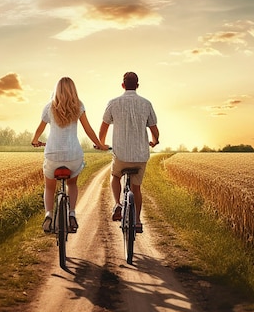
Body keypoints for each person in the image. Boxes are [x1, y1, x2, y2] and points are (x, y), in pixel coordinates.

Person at [31, 77, 109, 233]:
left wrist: (35, 140)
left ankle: (49, 215)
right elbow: (88, 130)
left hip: (53, 155)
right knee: (71, 184)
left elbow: (39, 129)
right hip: (73, 155)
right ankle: (72, 213)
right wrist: (100, 144)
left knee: (49, 187)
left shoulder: (48, 107)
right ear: (73, 90)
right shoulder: (78, 106)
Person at [98, 72, 159, 233]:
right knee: (136, 188)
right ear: (137, 86)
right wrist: (154, 141)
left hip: (121, 155)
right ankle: (138, 221)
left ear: (123, 85)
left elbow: (103, 128)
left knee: (115, 176)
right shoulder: (146, 104)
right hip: (140, 156)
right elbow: (155, 130)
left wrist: (102, 144)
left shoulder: (113, 103)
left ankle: (117, 203)